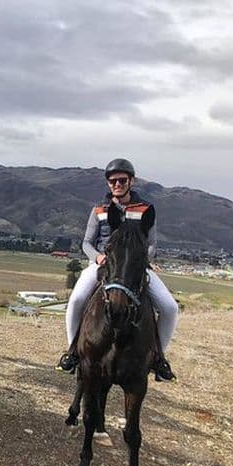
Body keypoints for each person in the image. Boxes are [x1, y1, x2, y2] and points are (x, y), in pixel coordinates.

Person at [56, 158, 177, 381]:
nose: (117, 184)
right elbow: (86, 243)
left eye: (122, 180)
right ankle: (72, 352)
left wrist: (140, 261)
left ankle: (158, 358)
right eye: (113, 181)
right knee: (76, 301)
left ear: (132, 181)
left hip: (135, 266)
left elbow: (151, 244)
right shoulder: (99, 210)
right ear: (108, 184)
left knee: (170, 308)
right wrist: (98, 257)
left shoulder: (146, 209)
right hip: (103, 264)